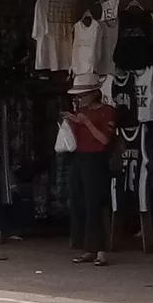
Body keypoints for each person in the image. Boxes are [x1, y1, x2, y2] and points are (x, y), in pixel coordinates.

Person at [61, 87, 115, 263]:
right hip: (80, 157)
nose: (80, 99)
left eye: (83, 95)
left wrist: (87, 123)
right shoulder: (81, 112)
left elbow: (105, 140)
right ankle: (87, 247)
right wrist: (71, 122)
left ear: (94, 94)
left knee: (95, 204)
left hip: (97, 159)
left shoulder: (107, 111)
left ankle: (100, 250)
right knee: (78, 201)